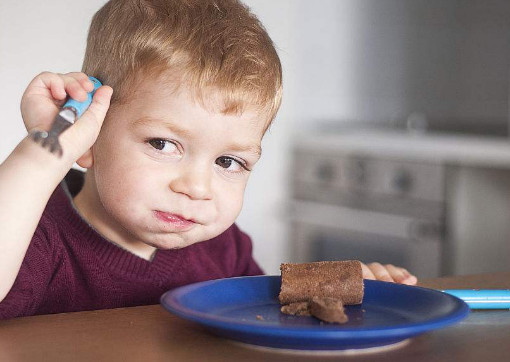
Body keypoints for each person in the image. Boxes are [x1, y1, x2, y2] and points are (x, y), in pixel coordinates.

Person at [0, 0, 416, 319]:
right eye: (163, 145)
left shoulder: (224, 250)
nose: (197, 189)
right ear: (90, 138)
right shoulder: (36, 236)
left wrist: (330, 290)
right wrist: (44, 153)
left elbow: (263, 317)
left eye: (228, 162)